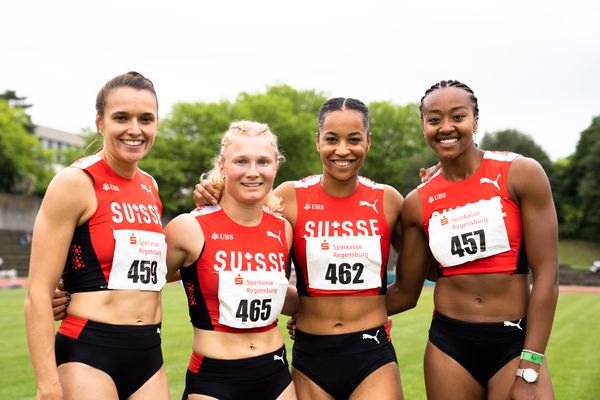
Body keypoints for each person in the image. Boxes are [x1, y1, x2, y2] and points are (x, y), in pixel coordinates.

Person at [195, 98, 405, 400]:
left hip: (371, 352)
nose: (342, 150)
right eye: (331, 139)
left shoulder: (388, 199)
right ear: (317, 141)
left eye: (354, 139)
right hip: (311, 354)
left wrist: (365, 310)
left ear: (368, 142)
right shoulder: (288, 197)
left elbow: (416, 283)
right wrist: (212, 190)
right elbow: (242, 226)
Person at [386, 80, 558, 399]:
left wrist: (530, 366)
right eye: (434, 119)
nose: (446, 127)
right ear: (424, 125)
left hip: (514, 341)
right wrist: (321, 313)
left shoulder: (521, 174)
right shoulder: (418, 201)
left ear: (475, 121)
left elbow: (547, 275)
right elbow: (407, 291)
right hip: (449, 347)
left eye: (458, 116)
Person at [25, 71, 169, 400]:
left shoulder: (150, 186)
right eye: (122, 117)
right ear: (100, 122)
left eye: (146, 119)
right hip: (89, 351)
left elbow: (148, 268)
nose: (135, 129)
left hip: (148, 351)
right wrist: (48, 385)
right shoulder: (75, 182)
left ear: (156, 124)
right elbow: (37, 293)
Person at [165, 120, 297, 399]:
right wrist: (68, 291)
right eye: (241, 161)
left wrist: (337, 311)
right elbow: (136, 279)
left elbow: (274, 292)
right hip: (215, 379)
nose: (253, 172)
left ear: (276, 166)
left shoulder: (282, 229)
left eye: (263, 161)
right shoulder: (188, 228)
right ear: (222, 166)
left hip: (276, 374)